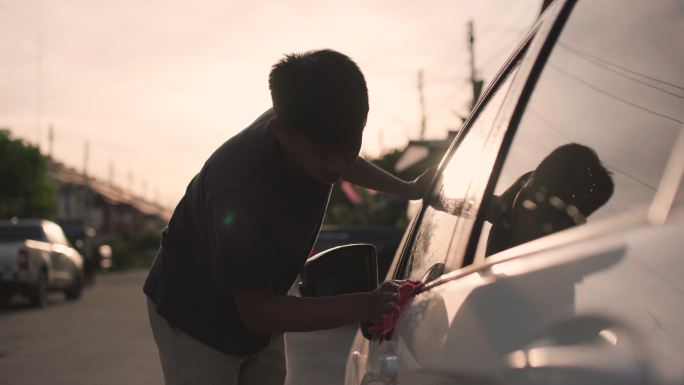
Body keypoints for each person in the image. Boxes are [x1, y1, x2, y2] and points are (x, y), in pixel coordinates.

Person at [143, 49, 435, 385]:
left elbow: (340, 157)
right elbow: (257, 312)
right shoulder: (236, 190)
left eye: (349, 146)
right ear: (280, 131)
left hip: (259, 307)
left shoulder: (311, 124)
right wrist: (365, 305)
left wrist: (409, 189)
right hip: (196, 316)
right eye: (321, 154)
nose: (335, 168)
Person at [484, 143, 614, 256]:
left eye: (557, 210)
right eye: (535, 191)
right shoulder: (509, 202)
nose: (531, 205)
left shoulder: (555, 273)